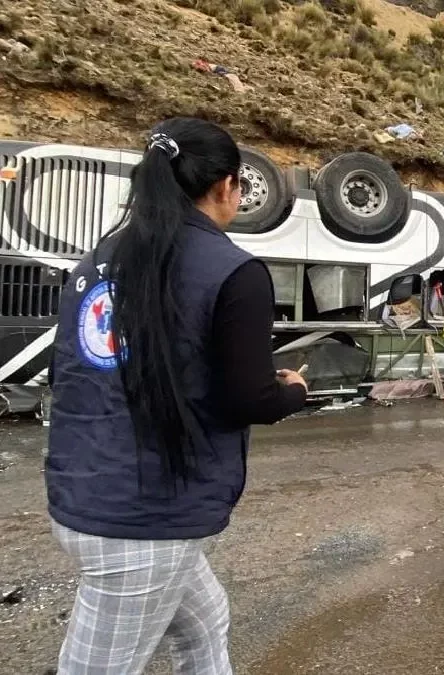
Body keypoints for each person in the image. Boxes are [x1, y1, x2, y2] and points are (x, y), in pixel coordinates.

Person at [45, 118, 308, 674]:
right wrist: (293, 390)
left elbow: (76, 369)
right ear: (227, 187)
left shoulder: (99, 260)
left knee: (205, 621)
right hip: (144, 516)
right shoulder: (232, 269)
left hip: (83, 488)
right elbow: (248, 399)